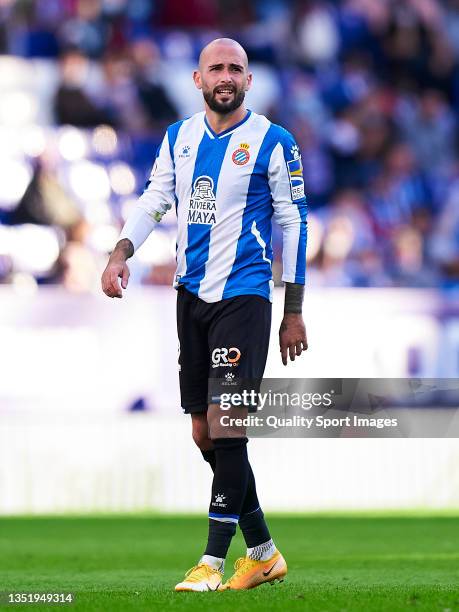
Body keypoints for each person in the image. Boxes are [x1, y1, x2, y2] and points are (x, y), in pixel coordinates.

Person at [101, 38, 308, 592]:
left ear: (248, 79)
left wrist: (294, 310)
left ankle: (211, 564)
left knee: (227, 422)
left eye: (235, 68)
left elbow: (294, 225)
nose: (225, 76)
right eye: (215, 67)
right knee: (203, 433)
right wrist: (122, 251)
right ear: (196, 79)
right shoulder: (179, 138)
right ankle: (262, 553)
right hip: (190, 296)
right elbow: (153, 199)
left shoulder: (273, 142)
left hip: (245, 296)